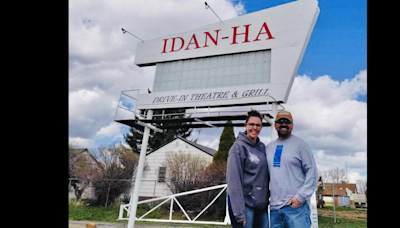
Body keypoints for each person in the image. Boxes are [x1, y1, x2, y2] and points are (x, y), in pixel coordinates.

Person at [266, 110, 318, 228]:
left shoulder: (301, 145)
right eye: (280, 121)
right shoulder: (268, 148)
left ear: (292, 125)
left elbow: (313, 173)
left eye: (287, 121)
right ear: (275, 125)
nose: (284, 124)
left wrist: (300, 197)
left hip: (296, 209)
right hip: (274, 210)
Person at [226, 109, 269, 228]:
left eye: (258, 125)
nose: (255, 128)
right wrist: (240, 214)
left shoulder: (262, 148)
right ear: (245, 126)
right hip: (245, 207)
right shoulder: (238, 148)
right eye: (251, 124)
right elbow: (234, 182)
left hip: (261, 206)